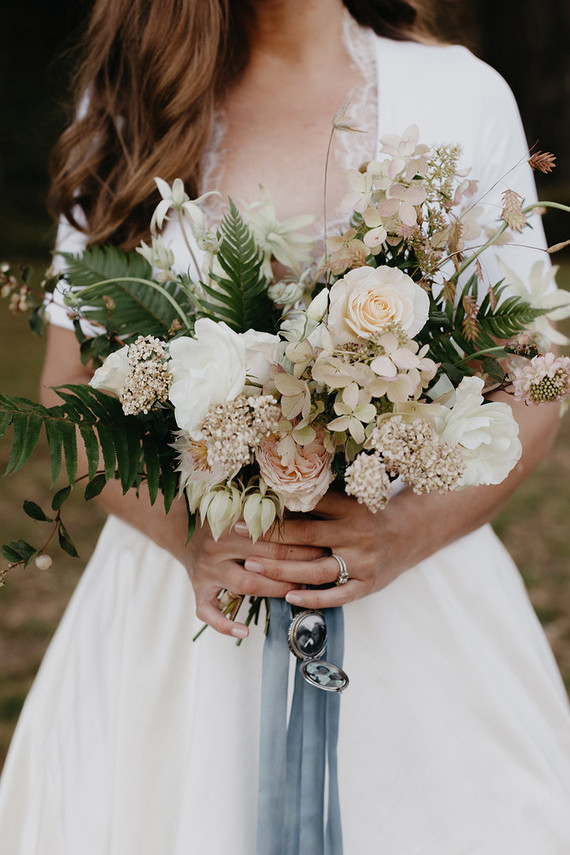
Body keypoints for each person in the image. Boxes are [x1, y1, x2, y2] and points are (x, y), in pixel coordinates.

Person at [1, 1, 570, 852]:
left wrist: (401, 534)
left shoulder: (460, 94)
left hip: (413, 616)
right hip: (180, 616)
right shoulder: (128, 99)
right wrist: (191, 536)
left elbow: (535, 386)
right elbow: (66, 383)